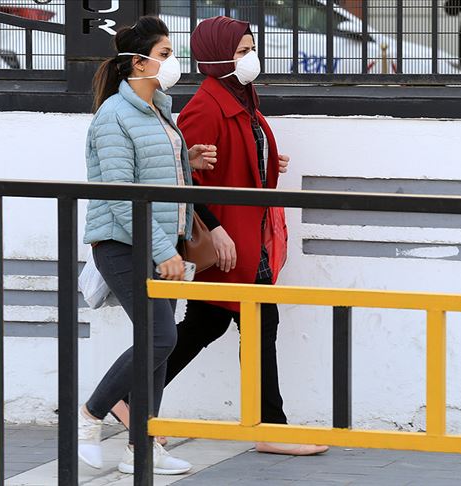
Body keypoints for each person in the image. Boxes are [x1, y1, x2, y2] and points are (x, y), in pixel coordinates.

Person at [168, 15, 327, 456]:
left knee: (205, 325)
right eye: (241, 51)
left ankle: (126, 397)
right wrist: (216, 229)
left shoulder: (239, 97)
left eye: (251, 49)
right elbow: (185, 178)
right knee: (255, 322)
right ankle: (270, 427)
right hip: (229, 240)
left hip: (245, 235)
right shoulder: (206, 106)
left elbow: (228, 159)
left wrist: (267, 160)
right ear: (217, 55)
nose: (250, 58)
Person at [79, 16, 218, 475]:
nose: (173, 62)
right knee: (161, 337)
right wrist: (164, 252)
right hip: (123, 245)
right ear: (137, 63)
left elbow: (152, 174)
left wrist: (186, 159)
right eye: (164, 54)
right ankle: (91, 413)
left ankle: (142, 449)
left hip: (159, 241)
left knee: (157, 347)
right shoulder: (113, 116)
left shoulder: (158, 109)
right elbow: (123, 196)